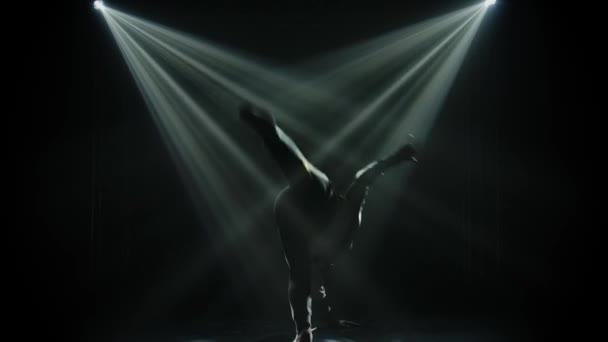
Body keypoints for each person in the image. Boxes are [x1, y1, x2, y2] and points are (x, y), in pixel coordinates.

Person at [239, 103, 417, 342]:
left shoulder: (321, 258)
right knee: (305, 174)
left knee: (300, 275)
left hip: (289, 212)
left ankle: (302, 330)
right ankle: (270, 133)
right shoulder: (349, 213)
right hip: (322, 201)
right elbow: (363, 178)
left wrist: (312, 326)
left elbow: (311, 286)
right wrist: (396, 157)